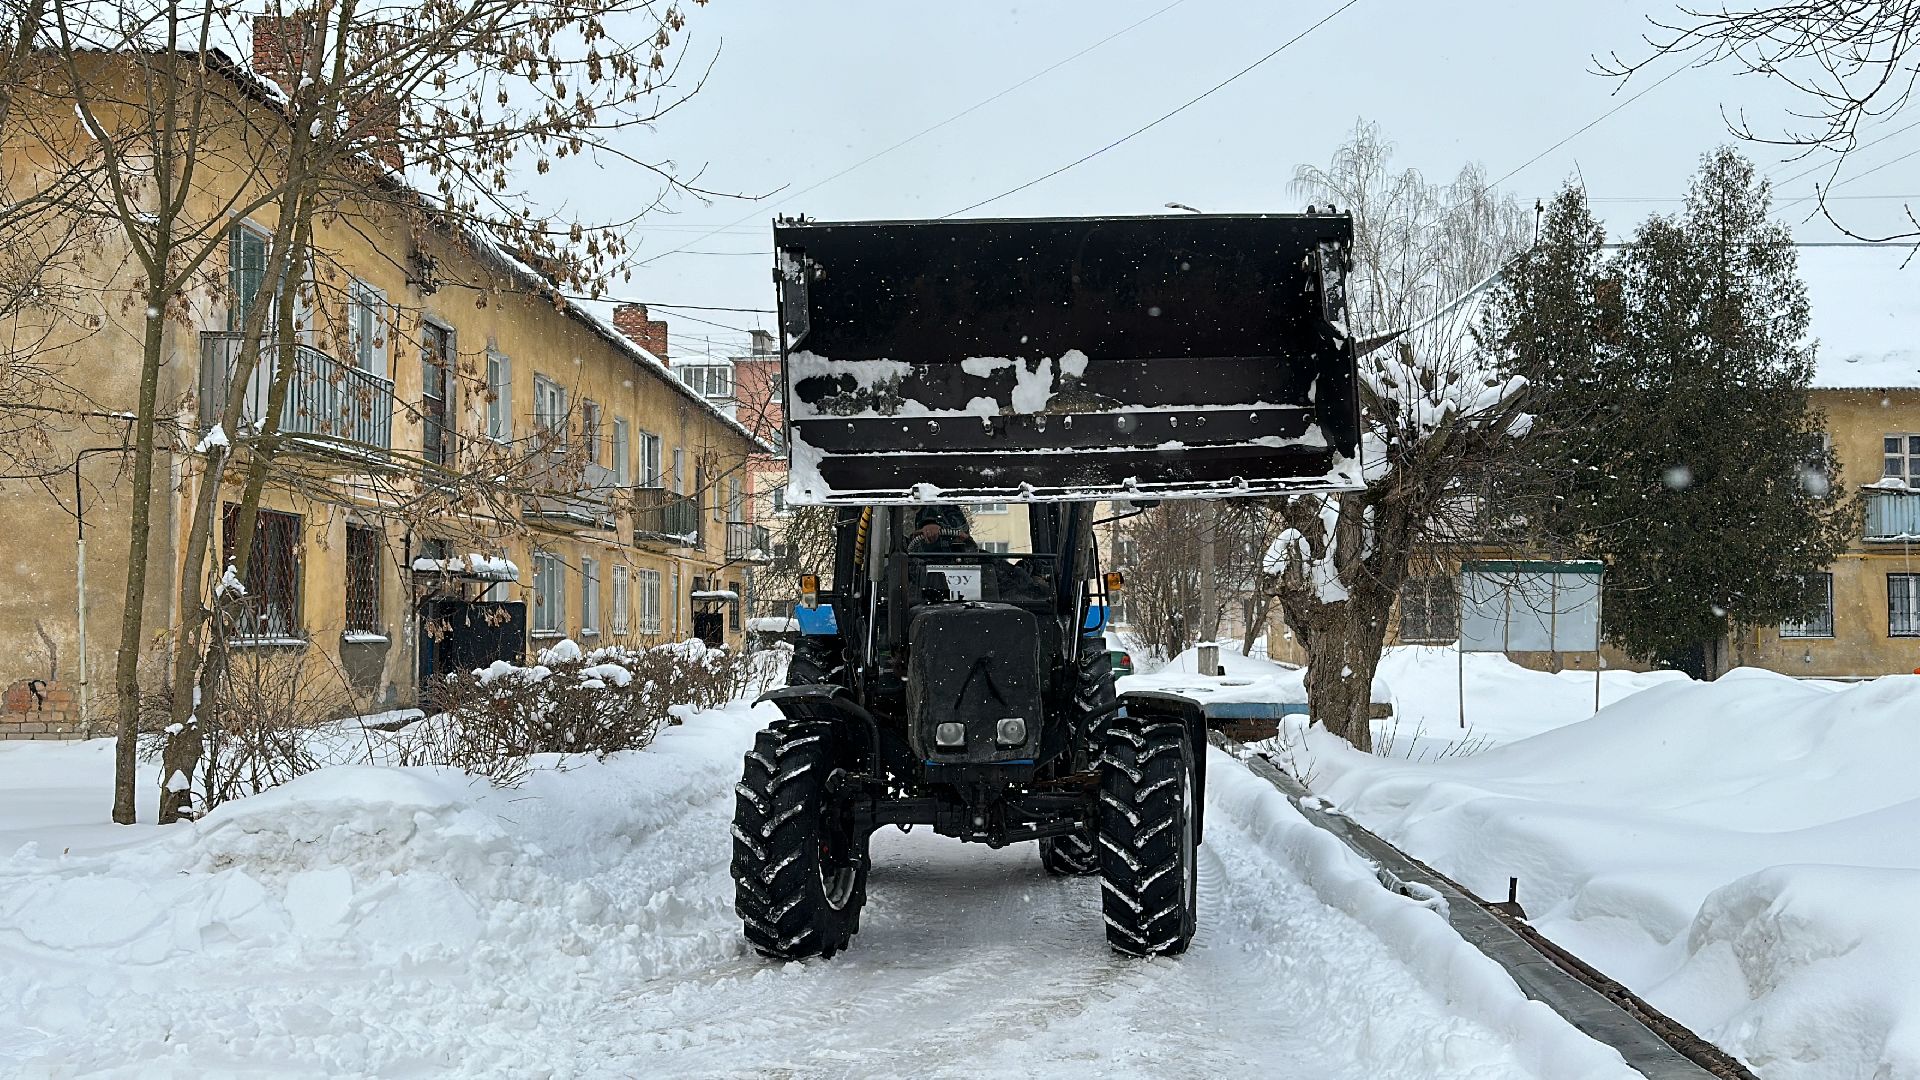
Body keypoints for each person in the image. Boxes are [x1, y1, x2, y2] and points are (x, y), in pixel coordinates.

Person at [908, 505, 977, 553]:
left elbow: (973, 552)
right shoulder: (913, 556)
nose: (930, 533)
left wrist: (966, 540)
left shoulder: (977, 560)